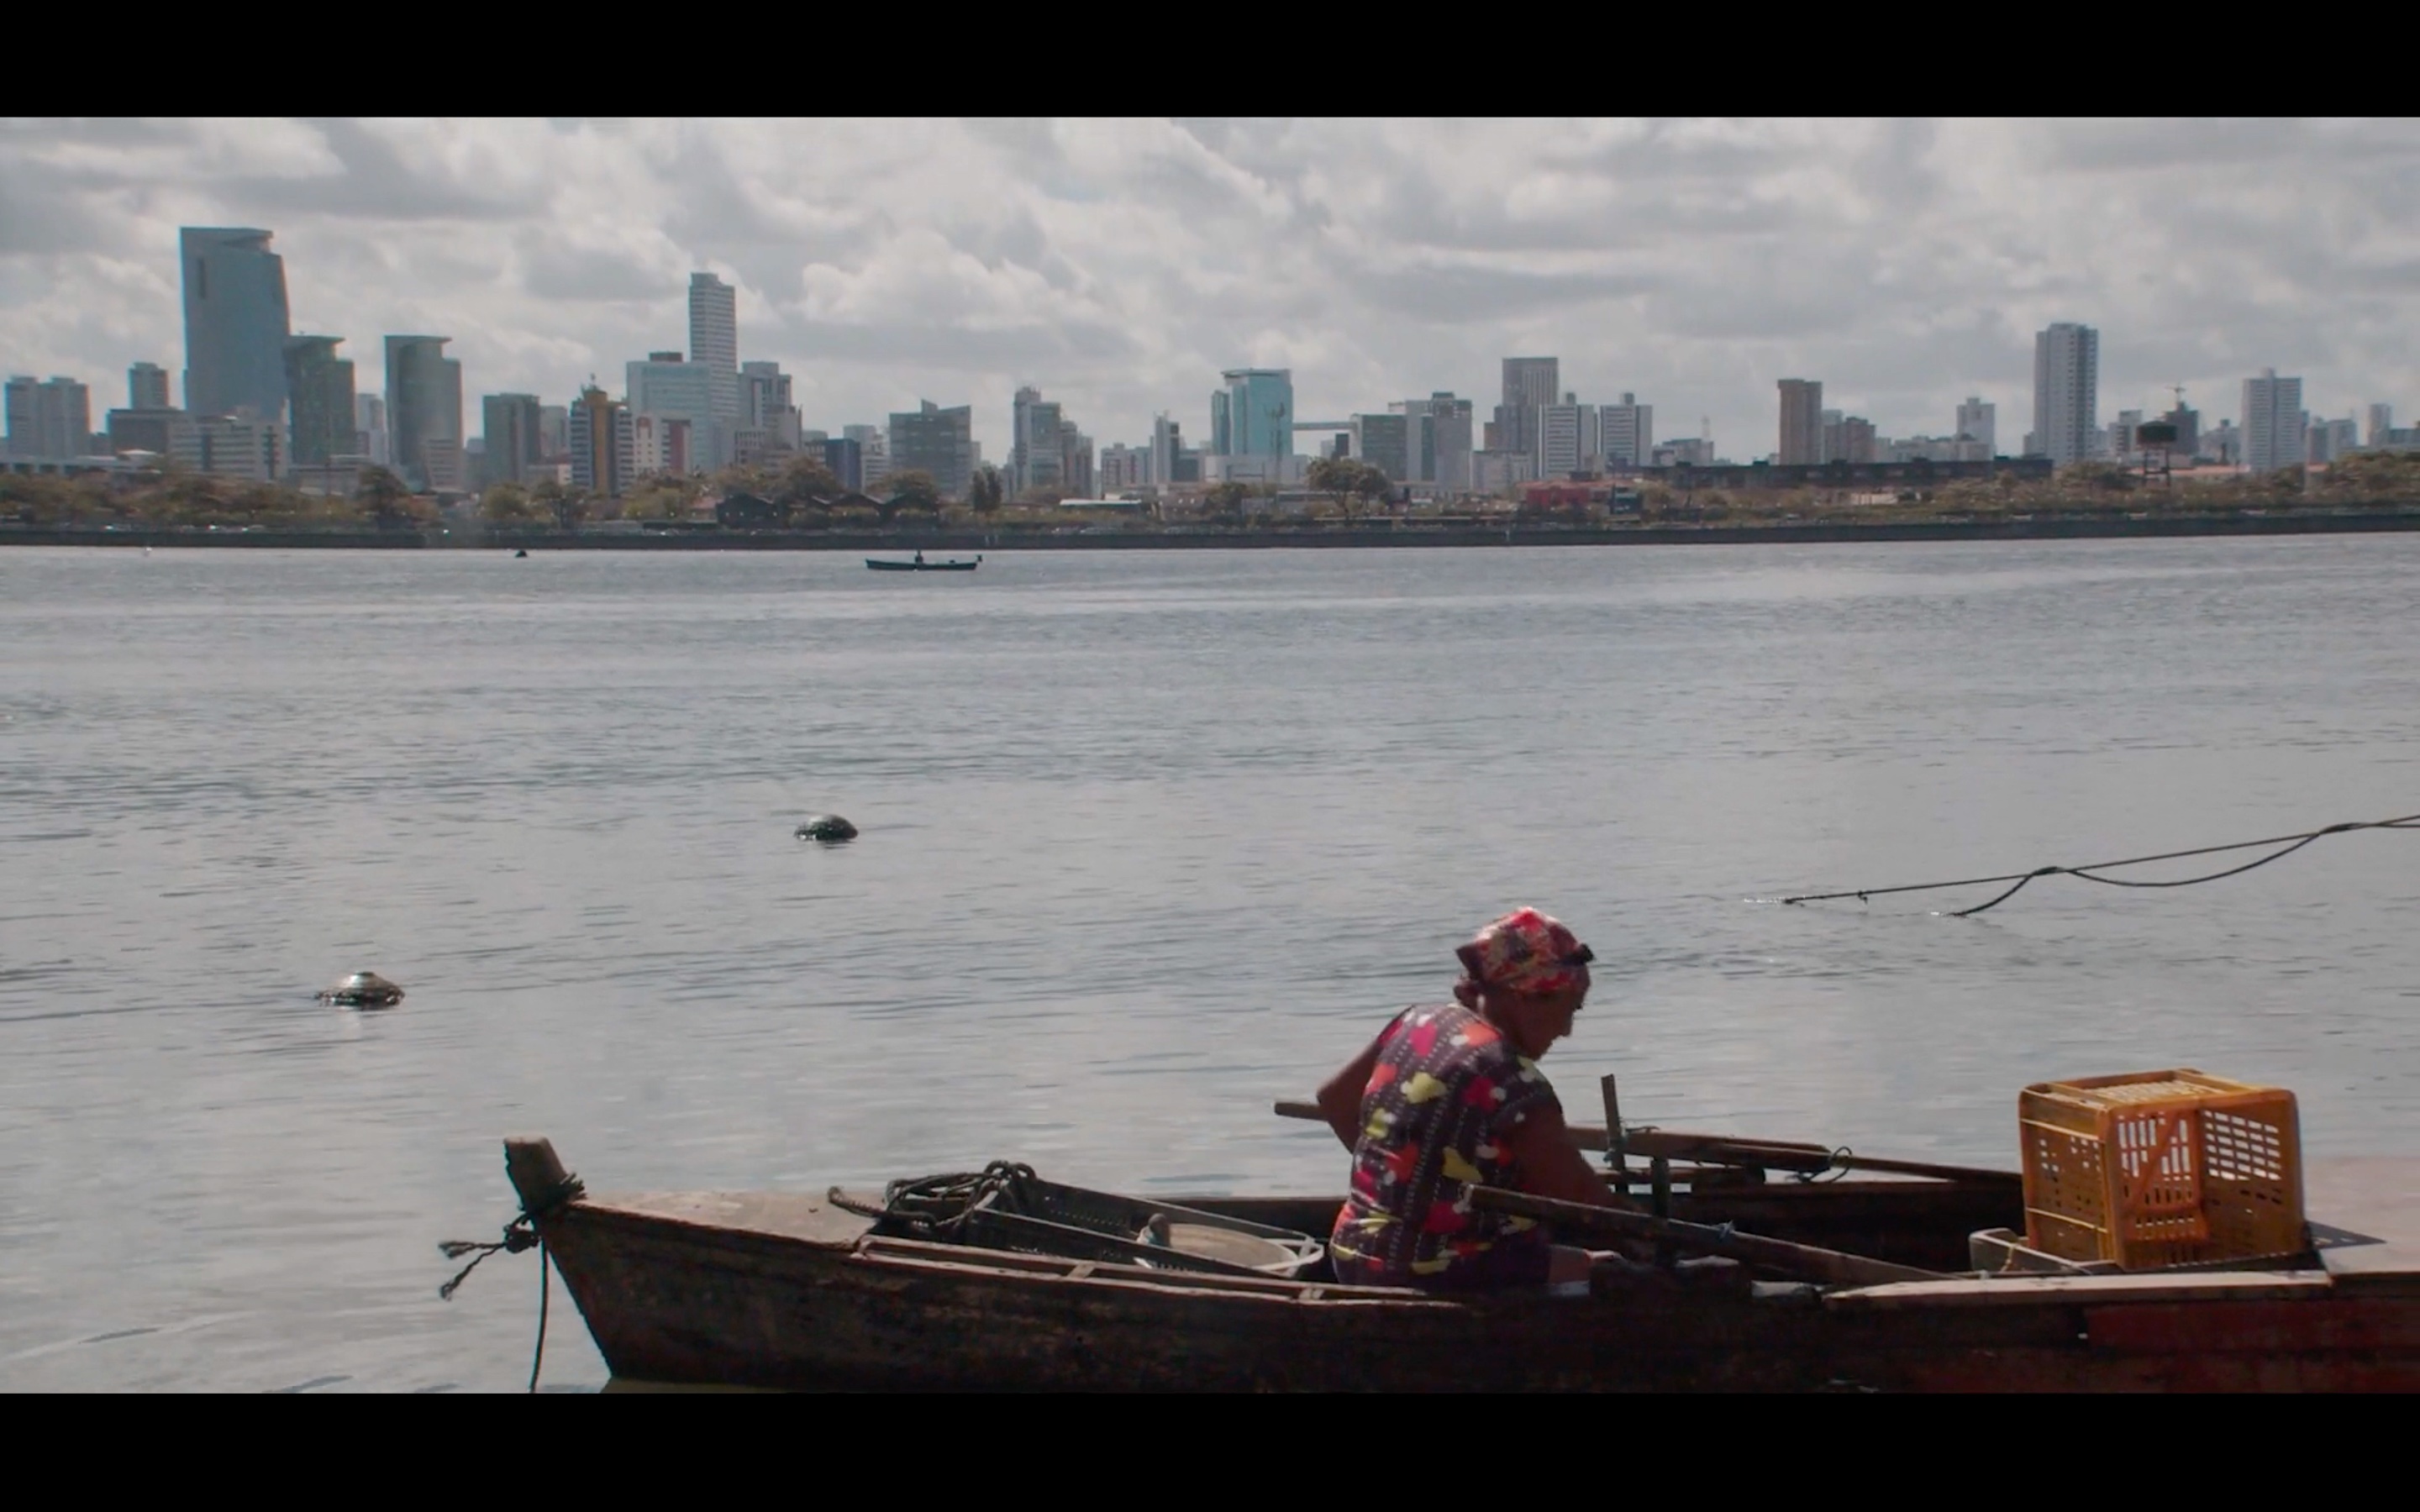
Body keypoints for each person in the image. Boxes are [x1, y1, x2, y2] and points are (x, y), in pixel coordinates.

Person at [1317, 907, 1632, 1294]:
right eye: (1568, 1008)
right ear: (1525, 997)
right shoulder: (1514, 1083)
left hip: (1352, 1254)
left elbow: (1333, 1099)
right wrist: (1650, 1243)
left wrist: (1403, 1183)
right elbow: (1585, 1201)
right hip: (1433, 1272)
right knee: (1611, 1270)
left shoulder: (1418, 1023)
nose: (1566, 1029)